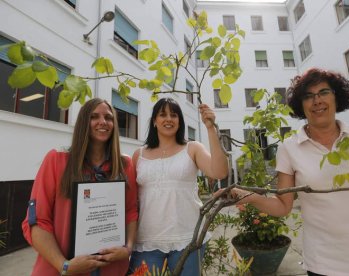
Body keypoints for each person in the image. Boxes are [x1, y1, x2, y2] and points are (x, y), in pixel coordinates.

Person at [227, 68, 349, 275]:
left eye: (324, 92)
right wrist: (248, 196)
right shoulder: (290, 148)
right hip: (326, 265)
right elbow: (283, 206)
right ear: (301, 105)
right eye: (308, 96)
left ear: (337, 96)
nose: (317, 101)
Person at [22, 98, 138, 276]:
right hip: (60, 269)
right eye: (94, 116)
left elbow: (130, 211)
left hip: (112, 269)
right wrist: (64, 265)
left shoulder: (125, 164)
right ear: (84, 121)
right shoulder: (56, 160)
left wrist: (128, 248)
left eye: (108, 117)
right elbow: (38, 221)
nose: (103, 122)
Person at [128, 97, 228, 275]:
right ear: (154, 121)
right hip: (147, 241)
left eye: (174, 115)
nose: (169, 119)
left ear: (179, 121)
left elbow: (219, 172)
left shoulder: (192, 148)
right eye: (163, 115)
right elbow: (131, 201)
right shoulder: (139, 155)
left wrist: (210, 128)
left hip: (187, 238)